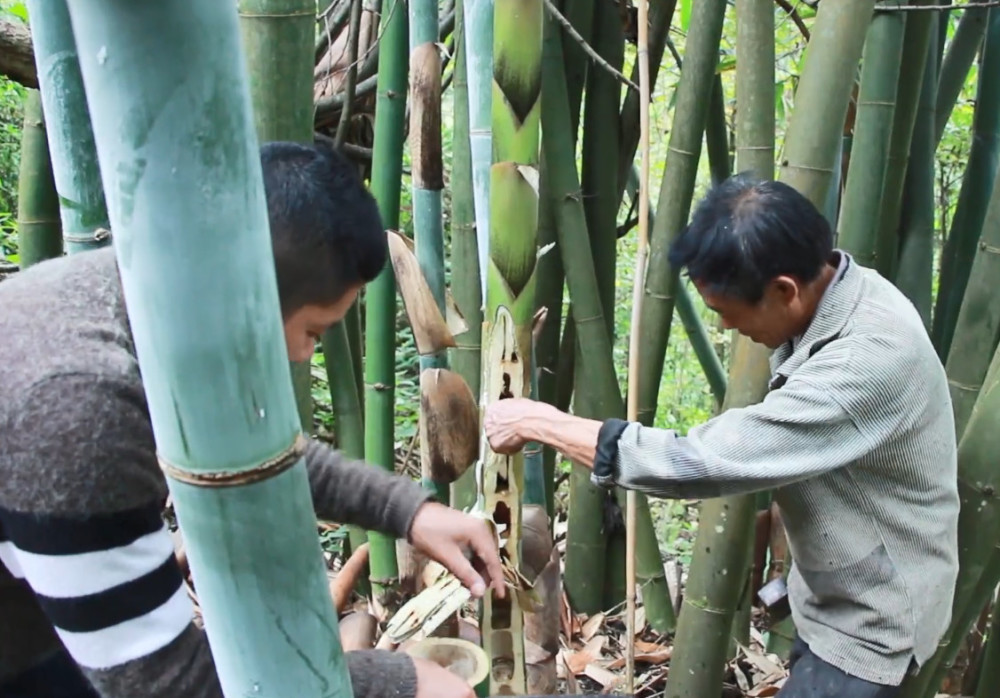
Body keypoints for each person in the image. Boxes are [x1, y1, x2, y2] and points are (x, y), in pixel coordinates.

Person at [0, 141, 502, 698]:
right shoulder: (79, 410)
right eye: (313, 332)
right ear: (253, 297)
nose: (306, 355)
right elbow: (163, 687)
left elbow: (256, 456)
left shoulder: (157, 300)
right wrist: (397, 682)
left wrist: (408, 512)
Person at [483, 174, 960, 698]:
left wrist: (536, 421)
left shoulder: (866, 359)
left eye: (728, 313)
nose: (729, 328)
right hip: (839, 597)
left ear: (784, 289)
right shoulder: (845, 288)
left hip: (872, 629)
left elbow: (699, 462)